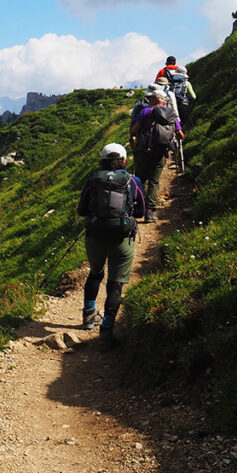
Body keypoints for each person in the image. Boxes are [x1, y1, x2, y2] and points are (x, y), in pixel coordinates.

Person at [77, 143, 146, 348]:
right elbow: (141, 212)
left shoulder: (92, 181)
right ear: (124, 161)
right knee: (116, 283)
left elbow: (81, 210)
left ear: (102, 160)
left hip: (95, 236)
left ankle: (89, 316)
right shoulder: (134, 181)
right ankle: (106, 331)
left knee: (96, 274)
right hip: (122, 238)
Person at [130, 88, 183, 222]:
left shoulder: (146, 111)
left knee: (139, 179)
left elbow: (135, 130)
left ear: (158, 99)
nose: (149, 100)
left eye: (152, 98)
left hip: (143, 150)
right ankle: (149, 213)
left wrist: (135, 138)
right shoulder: (171, 114)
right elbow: (180, 135)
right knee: (154, 181)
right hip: (160, 151)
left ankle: (134, 208)